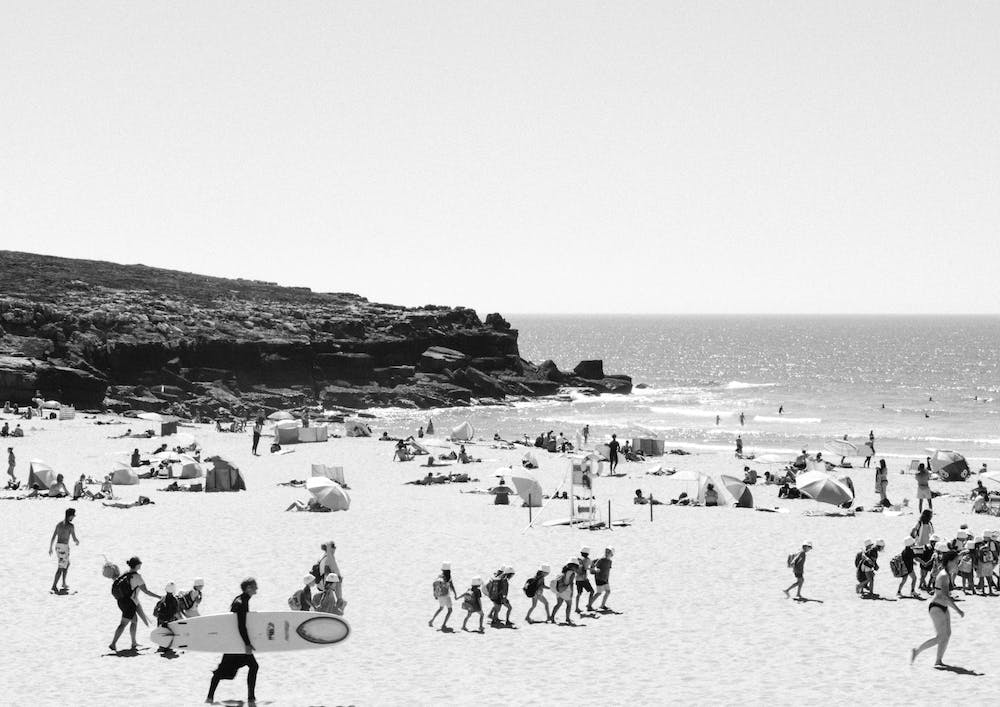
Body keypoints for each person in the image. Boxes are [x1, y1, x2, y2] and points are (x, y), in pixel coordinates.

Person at [207, 578, 259, 706]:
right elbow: (240, 625)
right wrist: (247, 644)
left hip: (235, 642)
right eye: (254, 587)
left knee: (231, 671)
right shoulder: (241, 603)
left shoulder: (241, 600)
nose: (257, 589)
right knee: (225, 672)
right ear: (248, 588)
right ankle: (250, 699)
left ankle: (251, 698)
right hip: (236, 644)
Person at [911, 551, 964, 667]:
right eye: (956, 562)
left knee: (947, 634)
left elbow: (945, 597)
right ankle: (917, 651)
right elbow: (945, 596)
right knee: (941, 636)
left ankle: (938, 660)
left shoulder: (946, 573)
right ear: (950, 562)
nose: (958, 564)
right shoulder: (944, 575)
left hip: (943, 607)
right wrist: (958, 610)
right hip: (936, 608)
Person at [110, 557, 161, 652]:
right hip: (129, 603)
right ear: (137, 565)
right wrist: (159, 597)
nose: (140, 566)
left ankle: (133, 642)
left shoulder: (125, 573)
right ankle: (113, 643)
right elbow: (146, 591)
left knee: (134, 620)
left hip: (121, 601)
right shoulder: (137, 577)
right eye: (139, 564)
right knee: (123, 623)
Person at [48, 508, 79, 594]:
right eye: (73, 516)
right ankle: (54, 585)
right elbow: (74, 538)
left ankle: (64, 583)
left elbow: (53, 537)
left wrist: (50, 548)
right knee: (61, 567)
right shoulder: (70, 526)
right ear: (70, 516)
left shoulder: (59, 524)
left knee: (67, 564)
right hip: (64, 548)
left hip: (57, 547)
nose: (73, 518)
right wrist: (77, 542)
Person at [429, 563, 458, 630]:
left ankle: (432, 620)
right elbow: (452, 586)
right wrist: (455, 594)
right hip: (446, 595)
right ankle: (443, 624)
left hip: (440, 595)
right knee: (449, 610)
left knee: (441, 608)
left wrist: (435, 594)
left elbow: (435, 585)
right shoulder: (448, 577)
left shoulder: (439, 576)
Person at [574, 548, 594, 613]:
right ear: (588, 554)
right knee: (591, 591)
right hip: (584, 579)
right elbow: (590, 567)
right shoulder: (588, 560)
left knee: (579, 593)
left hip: (577, 579)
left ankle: (576, 608)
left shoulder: (578, 559)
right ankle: (589, 606)